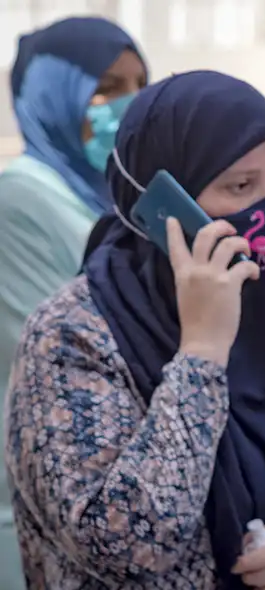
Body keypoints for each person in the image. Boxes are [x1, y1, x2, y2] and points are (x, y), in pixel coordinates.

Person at [4, 70, 265, 588]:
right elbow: (126, 548)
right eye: (241, 186)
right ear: (160, 206)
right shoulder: (70, 335)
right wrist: (201, 354)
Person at [0, 17, 145, 589]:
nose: (128, 102)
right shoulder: (22, 199)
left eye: (139, 83)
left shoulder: (107, 195)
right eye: (107, 87)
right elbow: (59, 348)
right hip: (42, 488)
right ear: (52, 95)